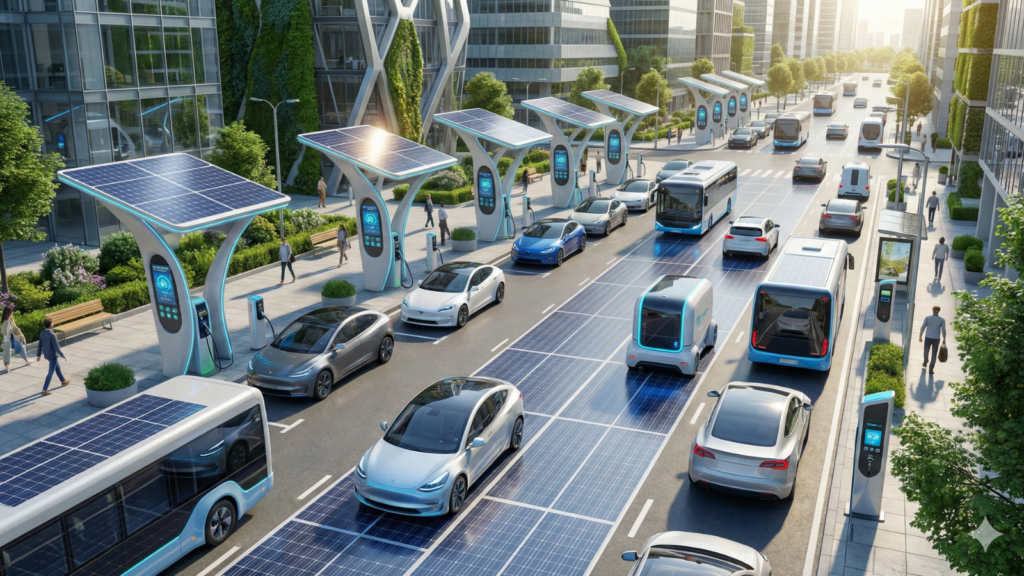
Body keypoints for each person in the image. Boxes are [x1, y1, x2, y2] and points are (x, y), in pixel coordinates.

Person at [36, 318, 69, 395]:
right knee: (50, 372)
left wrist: (38, 355)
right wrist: (63, 355)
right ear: (51, 325)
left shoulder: (42, 333)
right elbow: (56, 347)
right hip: (52, 356)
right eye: (52, 323)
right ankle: (44, 390)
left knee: (57, 368)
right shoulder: (52, 334)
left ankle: (63, 381)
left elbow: (39, 344)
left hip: (47, 354)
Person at [919, 306, 946, 374]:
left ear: (932, 310)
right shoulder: (942, 320)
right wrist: (944, 338)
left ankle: (925, 361)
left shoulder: (928, 318)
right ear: (939, 311)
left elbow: (922, 327)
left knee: (926, 350)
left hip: (928, 337)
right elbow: (943, 330)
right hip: (936, 339)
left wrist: (920, 337)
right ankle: (931, 369)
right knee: (934, 354)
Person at [2, 306, 30, 371]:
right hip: (8, 338)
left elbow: (14, 327)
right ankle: (7, 366)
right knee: (7, 352)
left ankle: (27, 361)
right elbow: (6, 332)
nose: (12, 313)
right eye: (11, 312)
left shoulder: (10, 318)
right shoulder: (5, 322)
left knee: (22, 347)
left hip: (14, 336)